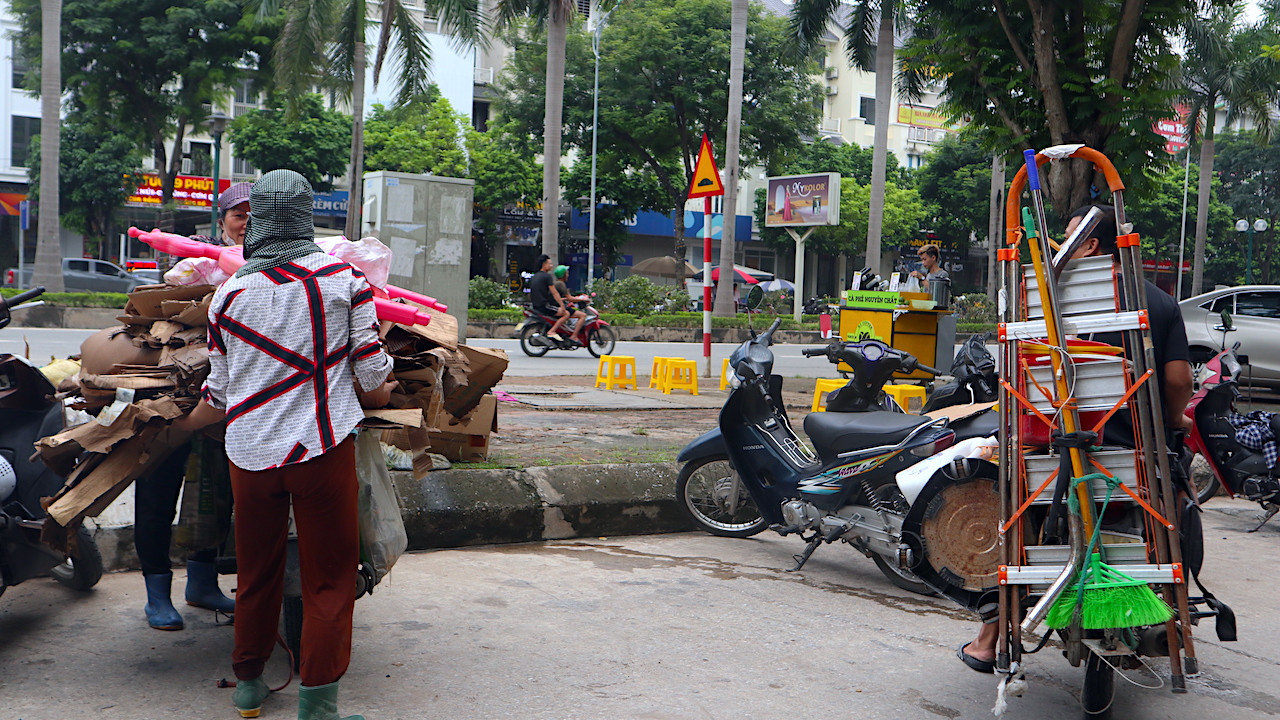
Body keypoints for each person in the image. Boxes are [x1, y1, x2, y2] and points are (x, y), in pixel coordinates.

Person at [175, 170, 395, 719]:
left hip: (248, 455)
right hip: (321, 449)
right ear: (305, 217)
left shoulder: (226, 295)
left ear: (260, 222)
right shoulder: (344, 281)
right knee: (328, 579)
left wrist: (176, 428)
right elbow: (371, 379)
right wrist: (385, 379)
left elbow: (219, 392)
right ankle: (317, 707)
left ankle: (249, 689)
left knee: (255, 573)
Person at [957, 204, 1193, 673]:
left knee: (1015, 517)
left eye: (1067, 238)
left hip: (1051, 450)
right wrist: (1174, 420)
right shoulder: (1157, 301)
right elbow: (1177, 379)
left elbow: (1020, 375)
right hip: (1135, 453)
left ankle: (989, 637)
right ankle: (1176, 625)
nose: (1058, 248)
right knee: (1171, 513)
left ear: (1089, 245)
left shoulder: (1043, 297)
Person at [135, 181, 254, 631]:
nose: (246, 222)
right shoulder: (195, 260)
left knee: (215, 495)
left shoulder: (269, 270)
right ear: (222, 221)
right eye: (238, 214)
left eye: (253, 213)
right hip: (170, 399)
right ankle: (156, 594)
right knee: (158, 493)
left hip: (226, 406)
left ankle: (202, 585)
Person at [528, 254, 569, 340]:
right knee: (566, 313)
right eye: (549, 264)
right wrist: (562, 305)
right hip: (544, 306)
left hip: (535, 306)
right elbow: (554, 293)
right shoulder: (547, 277)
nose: (551, 265)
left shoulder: (535, 276)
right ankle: (552, 331)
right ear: (544, 264)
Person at [553, 265, 587, 337]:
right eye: (567, 273)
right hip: (559, 307)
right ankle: (574, 336)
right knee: (583, 315)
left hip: (555, 305)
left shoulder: (556, 283)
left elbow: (561, 297)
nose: (568, 275)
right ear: (563, 275)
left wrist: (573, 298)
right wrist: (582, 299)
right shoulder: (560, 284)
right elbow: (570, 298)